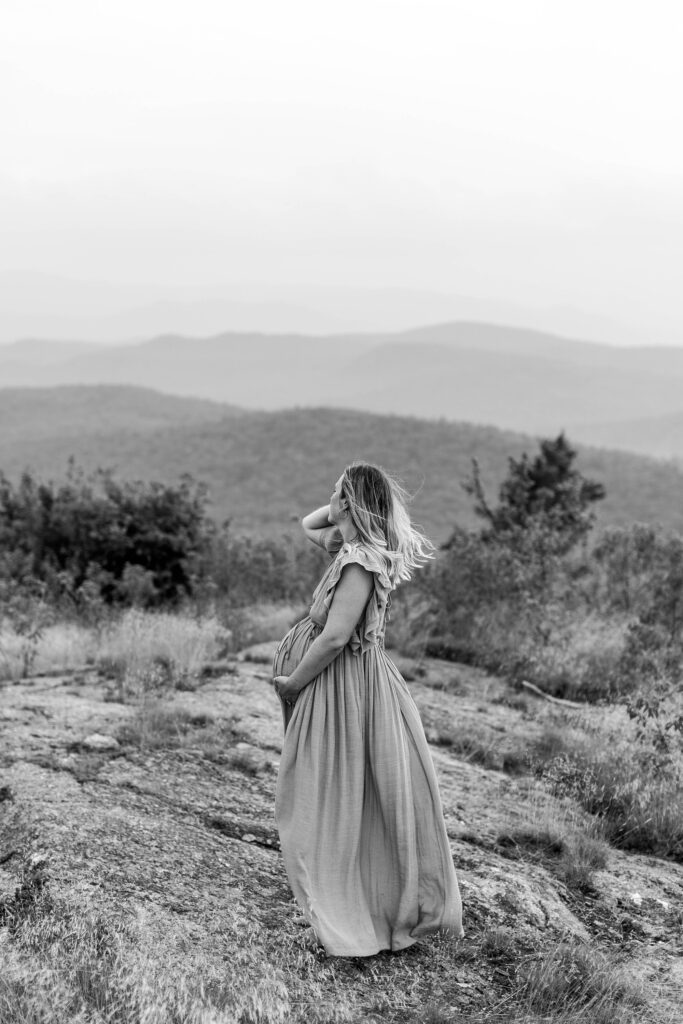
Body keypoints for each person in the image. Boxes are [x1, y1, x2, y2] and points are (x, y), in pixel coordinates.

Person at [272, 461, 464, 957]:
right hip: (342, 679)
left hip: (344, 683)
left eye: (336, 492)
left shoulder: (359, 560)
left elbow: (336, 636)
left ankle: (355, 894)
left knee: (338, 783)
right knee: (349, 785)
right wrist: (344, 503)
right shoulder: (348, 546)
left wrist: (293, 683)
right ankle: (348, 875)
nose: (329, 498)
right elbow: (309, 525)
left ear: (351, 503)